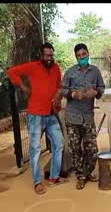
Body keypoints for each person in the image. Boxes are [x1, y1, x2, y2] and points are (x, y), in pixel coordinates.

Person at [7, 42, 67, 195]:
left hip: (51, 113)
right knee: (35, 150)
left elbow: (59, 85)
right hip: (36, 115)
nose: (49, 58)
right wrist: (22, 86)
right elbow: (12, 72)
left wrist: (58, 95)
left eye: (51, 55)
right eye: (46, 55)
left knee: (59, 143)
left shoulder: (56, 68)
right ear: (41, 55)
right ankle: (37, 182)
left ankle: (53, 178)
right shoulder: (33, 67)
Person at [61, 43, 106, 190]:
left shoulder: (95, 72)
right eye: (79, 56)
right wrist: (72, 94)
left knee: (91, 149)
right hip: (72, 117)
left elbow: (101, 87)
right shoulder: (70, 72)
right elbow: (62, 90)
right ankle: (80, 177)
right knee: (75, 149)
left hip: (88, 117)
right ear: (76, 57)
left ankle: (88, 172)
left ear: (88, 54)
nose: (82, 57)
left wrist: (96, 92)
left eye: (84, 54)